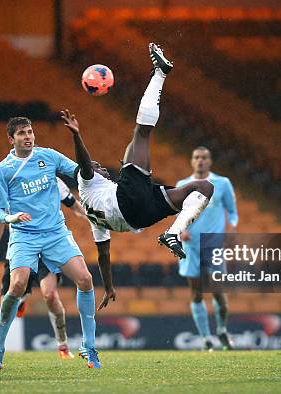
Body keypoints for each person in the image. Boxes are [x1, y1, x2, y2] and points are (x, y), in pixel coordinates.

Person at [59, 43, 214, 308]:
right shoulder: (88, 184)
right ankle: (160, 73)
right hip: (128, 202)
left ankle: (174, 233)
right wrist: (77, 135)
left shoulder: (94, 217)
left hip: (140, 217)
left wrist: (108, 287)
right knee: (141, 133)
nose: (101, 167)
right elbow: (85, 164)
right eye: (97, 166)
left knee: (203, 187)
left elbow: (104, 253)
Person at [0, 117, 100, 369]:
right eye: (22, 134)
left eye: (30, 132)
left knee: (85, 279)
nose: (28, 136)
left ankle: (89, 347)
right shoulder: (3, 169)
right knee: (17, 285)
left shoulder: (48, 156)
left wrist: (76, 137)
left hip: (55, 234)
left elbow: (80, 171)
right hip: (24, 235)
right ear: (11, 139)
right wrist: (10, 216)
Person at [0, 177, 87, 359]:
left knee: (49, 295)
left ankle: (62, 345)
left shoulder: (52, 179)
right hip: (20, 249)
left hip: (46, 250)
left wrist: (92, 217)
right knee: (8, 300)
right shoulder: (11, 181)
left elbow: (73, 204)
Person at [176, 147, 238, 351]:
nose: (200, 161)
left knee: (218, 291)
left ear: (210, 161)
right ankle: (206, 339)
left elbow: (232, 212)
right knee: (196, 292)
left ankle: (221, 330)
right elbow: (178, 215)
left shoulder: (222, 183)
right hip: (190, 246)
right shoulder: (182, 185)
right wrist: (180, 231)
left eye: (204, 157)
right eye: (196, 157)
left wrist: (231, 230)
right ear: (191, 161)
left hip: (214, 245)